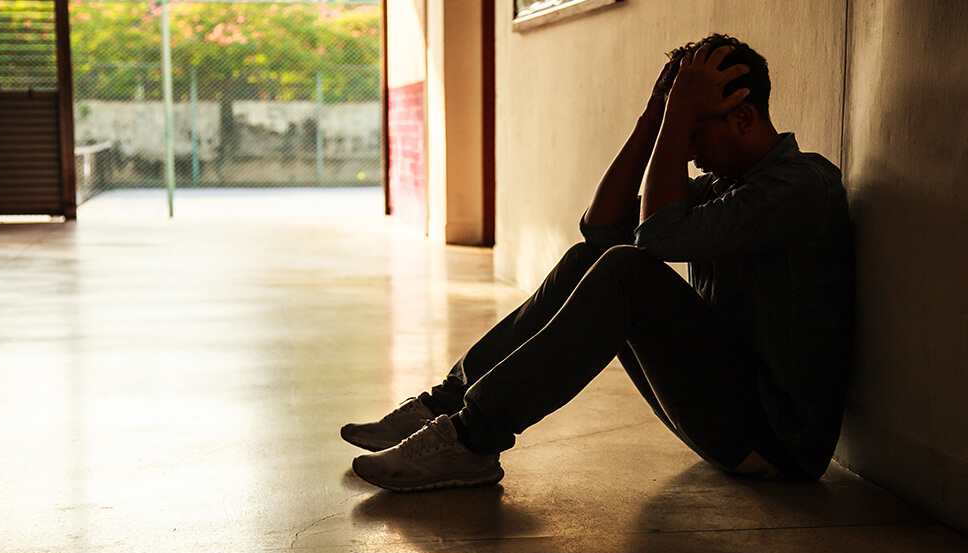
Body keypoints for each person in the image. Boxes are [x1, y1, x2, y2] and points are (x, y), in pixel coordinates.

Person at [341, 34, 854, 492]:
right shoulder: (729, 187)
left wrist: (676, 118)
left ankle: (471, 438)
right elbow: (601, 227)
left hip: (779, 441)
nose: (687, 152)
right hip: (731, 415)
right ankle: (446, 405)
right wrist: (655, 115)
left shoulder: (800, 188)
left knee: (626, 271)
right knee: (591, 257)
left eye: (693, 132)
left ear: (742, 117)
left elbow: (654, 238)